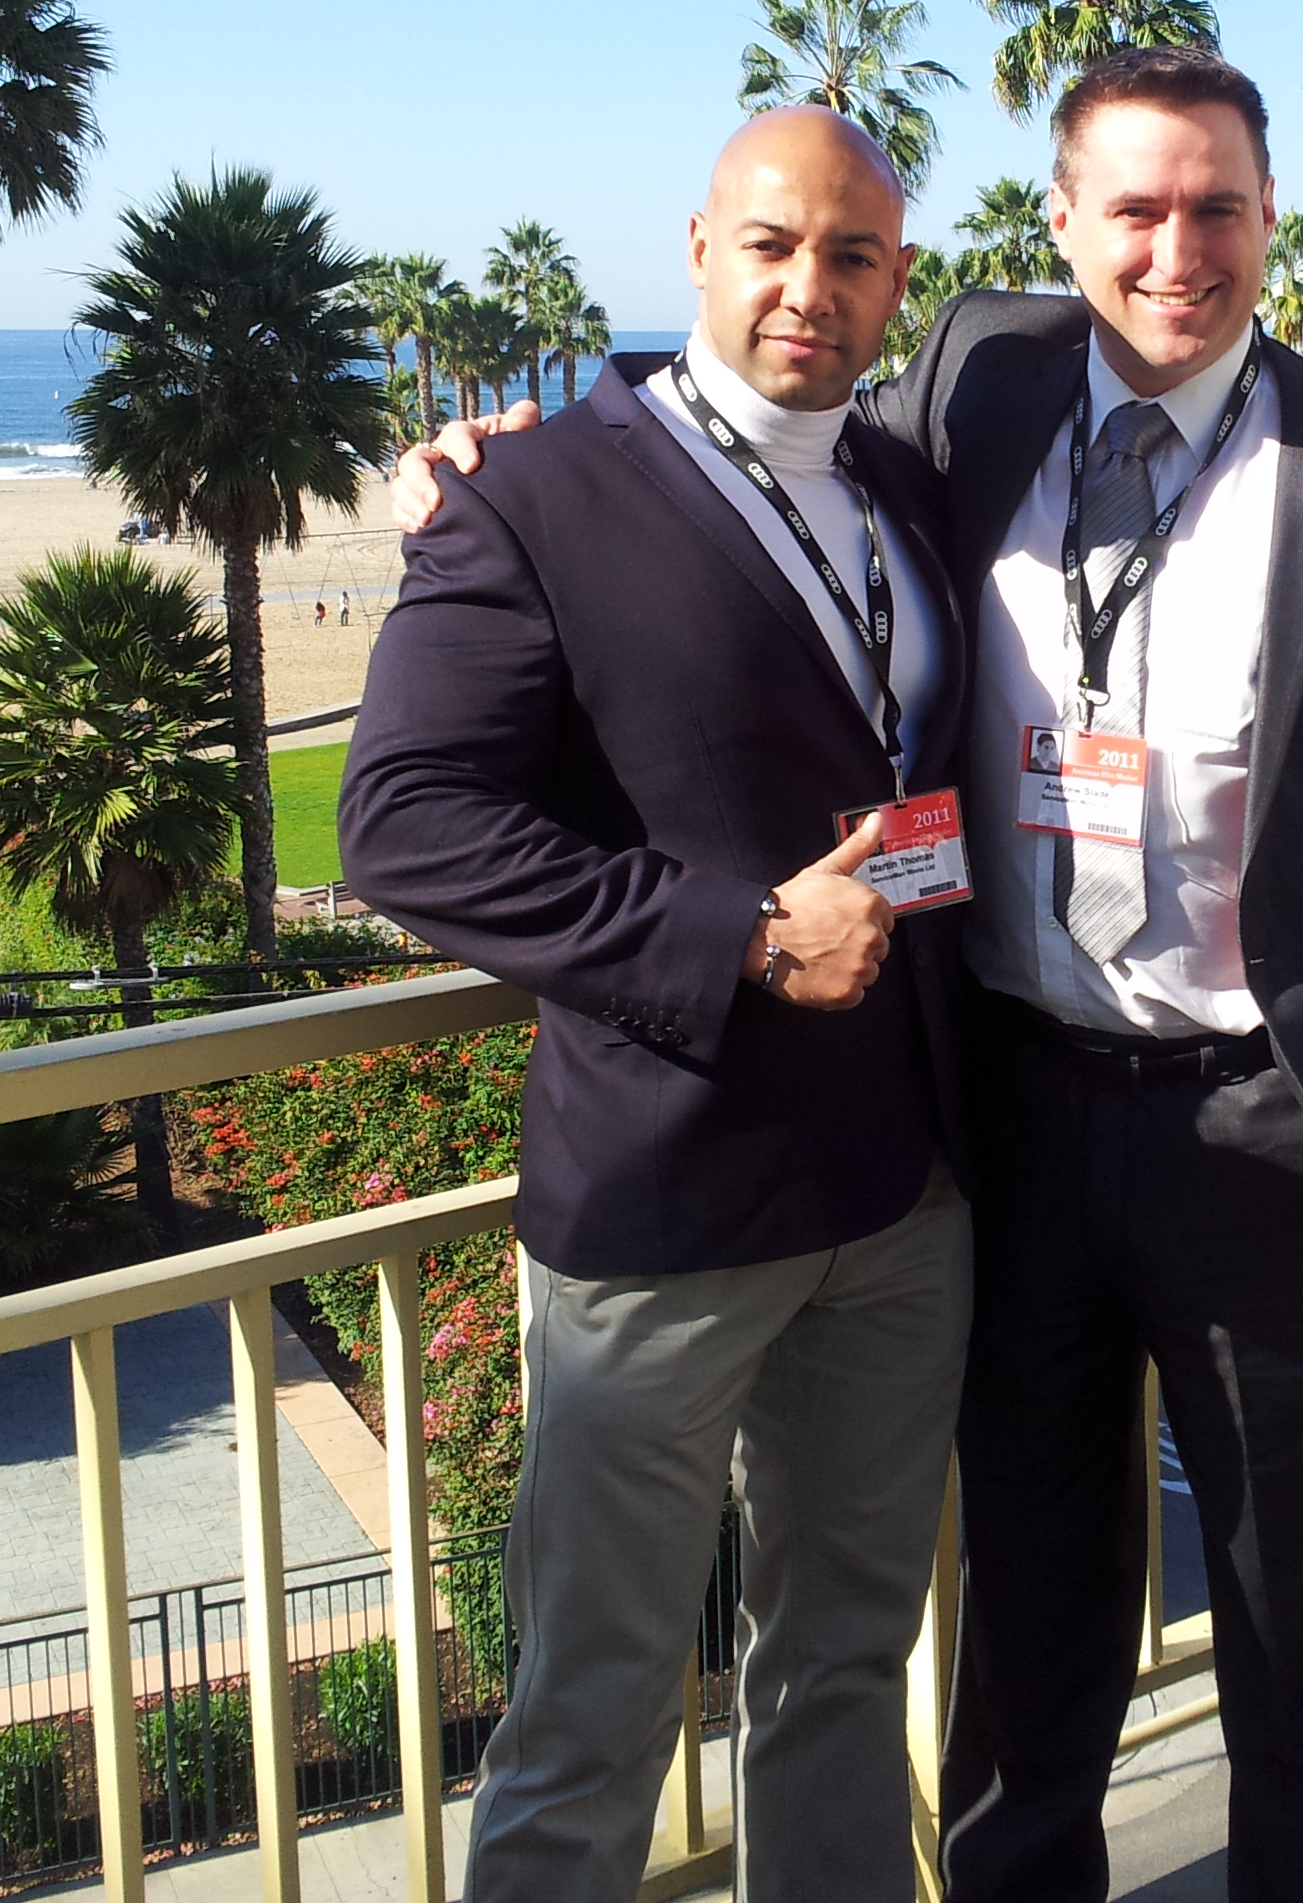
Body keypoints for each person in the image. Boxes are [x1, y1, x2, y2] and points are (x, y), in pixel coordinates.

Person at [404, 48, 1303, 1901]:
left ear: (1273, 221)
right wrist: (499, 458)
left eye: (1216, 209)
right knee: (1026, 1660)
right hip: (1008, 1130)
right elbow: (729, 390)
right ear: (1062, 229)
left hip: (1272, 1130)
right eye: (1135, 209)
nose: (1175, 250)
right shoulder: (981, 383)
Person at [340, 107, 975, 1903]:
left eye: (853, 256)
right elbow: (404, 827)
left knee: (843, 1663)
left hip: (903, 1188)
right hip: (665, 1204)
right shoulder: (533, 498)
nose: (809, 287)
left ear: (896, 284)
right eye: (772, 245)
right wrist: (744, 938)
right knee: (594, 1704)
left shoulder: (906, 489)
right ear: (698, 247)